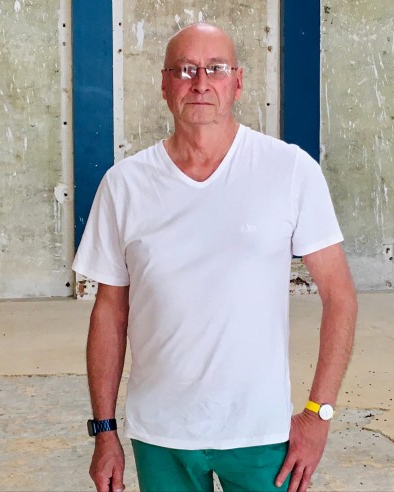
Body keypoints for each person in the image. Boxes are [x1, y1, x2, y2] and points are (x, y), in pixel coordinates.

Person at [73, 22, 357, 492]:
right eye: (185, 70)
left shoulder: (288, 171)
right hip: (160, 434)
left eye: (216, 69)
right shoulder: (125, 185)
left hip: (260, 433)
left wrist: (318, 413)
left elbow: (340, 296)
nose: (200, 83)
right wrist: (104, 432)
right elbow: (109, 312)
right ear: (165, 84)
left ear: (238, 82)